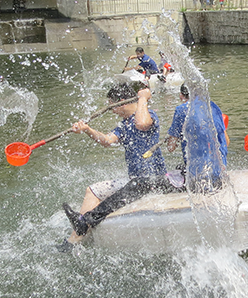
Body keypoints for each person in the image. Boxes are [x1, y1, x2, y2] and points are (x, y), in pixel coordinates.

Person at [58, 83, 180, 250]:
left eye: (112, 106)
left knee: (100, 193)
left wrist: (143, 98)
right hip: (134, 181)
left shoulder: (148, 114)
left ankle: (79, 232)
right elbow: (107, 141)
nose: (112, 110)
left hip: (151, 180)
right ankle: (73, 241)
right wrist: (87, 129)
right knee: (92, 190)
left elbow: (142, 124)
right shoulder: (123, 125)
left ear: (122, 102)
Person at [166, 84, 229, 192]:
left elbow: (170, 148)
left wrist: (175, 139)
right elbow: (226, 142)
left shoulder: (181, 110)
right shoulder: (213, 107)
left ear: (181, 96)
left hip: (198, 179)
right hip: (220, 176)